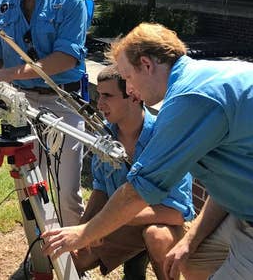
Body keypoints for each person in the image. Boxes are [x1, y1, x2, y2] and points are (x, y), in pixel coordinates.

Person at [42, 22, 253, 280]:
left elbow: (137, 191)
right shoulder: (217, 77)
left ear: (147, 65)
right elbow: (231, 181)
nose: (130, 89)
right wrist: (190, 240)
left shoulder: (190, 98)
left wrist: (82, 233)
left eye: (128, 78)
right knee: (190, 262)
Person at [0, 0, 93, 226]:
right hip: (22, 106)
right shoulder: (0, 5)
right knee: (31, 190)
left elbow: (67, 59)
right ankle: (39, 258)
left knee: (67, 190)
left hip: (64, 101)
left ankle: (75, 264)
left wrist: (8, 74)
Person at [73, 65, 194, 279]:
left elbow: (177, 213)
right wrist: (82, 230)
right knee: (76, 257)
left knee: (156, 238)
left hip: (159, 222)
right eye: (99, 95)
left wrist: (108, 222)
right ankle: (134, 262)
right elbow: (100, 190)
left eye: (107, 96)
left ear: (134, 96)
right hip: (123, 220)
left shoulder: (164, 137)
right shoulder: (105, 136)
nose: (99, 104)